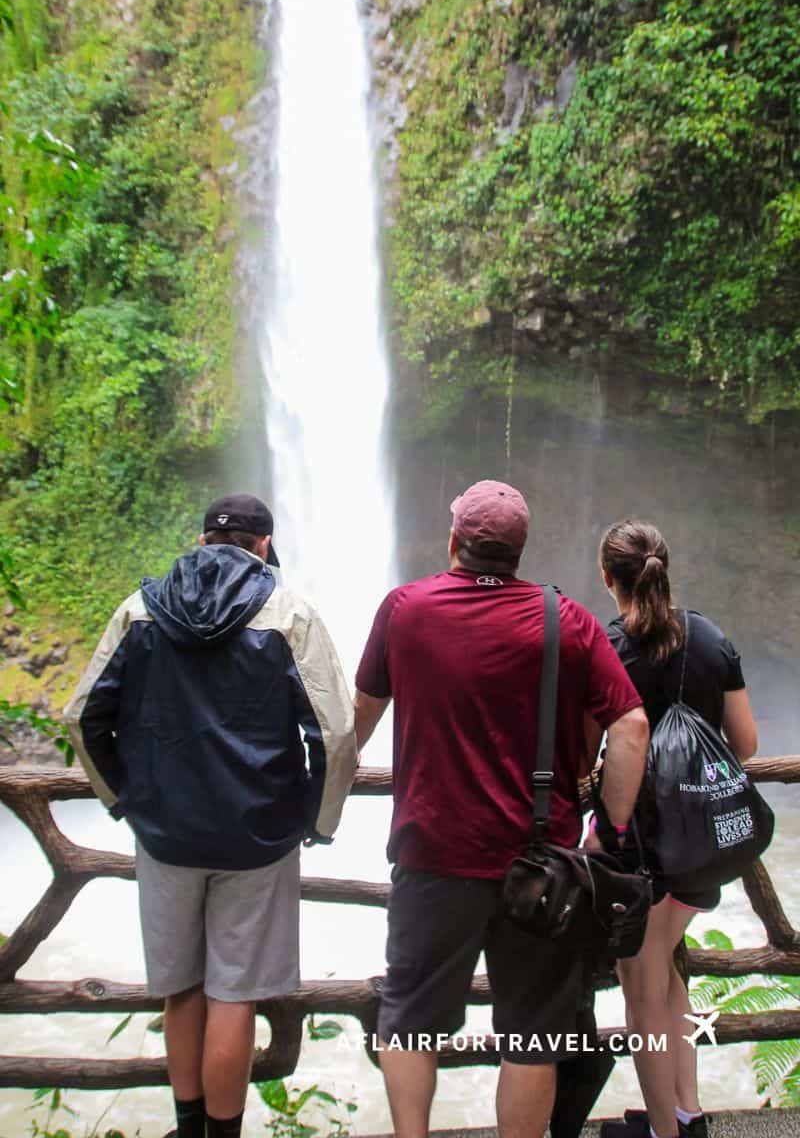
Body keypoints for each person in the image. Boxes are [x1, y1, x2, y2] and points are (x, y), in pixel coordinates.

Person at [354, 480, 650, 1138]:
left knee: (407, 1020)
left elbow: (357, 722)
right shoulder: (564, 618)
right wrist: (611, 830)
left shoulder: (404, 610)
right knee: (532, 1037)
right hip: (541, 867)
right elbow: (631, 726)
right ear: (518, 551)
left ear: (454, 541)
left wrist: (315, 801)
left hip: (432, 855)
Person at [64, 493, 357, 1138]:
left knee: (182, 991)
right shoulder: (290, 612)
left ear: (199, 542)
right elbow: (334, 735)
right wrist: (318, 819)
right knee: (234, 995)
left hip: (165, 835)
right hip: (259, 838)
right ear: (263, 547)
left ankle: (186, 1125)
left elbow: (82, 717)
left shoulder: (139, 609)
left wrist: (124, 799)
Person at [595, 519, 758, 1138]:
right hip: (704, 846)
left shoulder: (608, 648)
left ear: (607, 577)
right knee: (666, 971)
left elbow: (593, 753)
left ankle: (665, 1130)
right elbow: (744, 742)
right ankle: (688, 1108)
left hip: (639, 851)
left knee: (641, 987)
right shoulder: (711, 637)